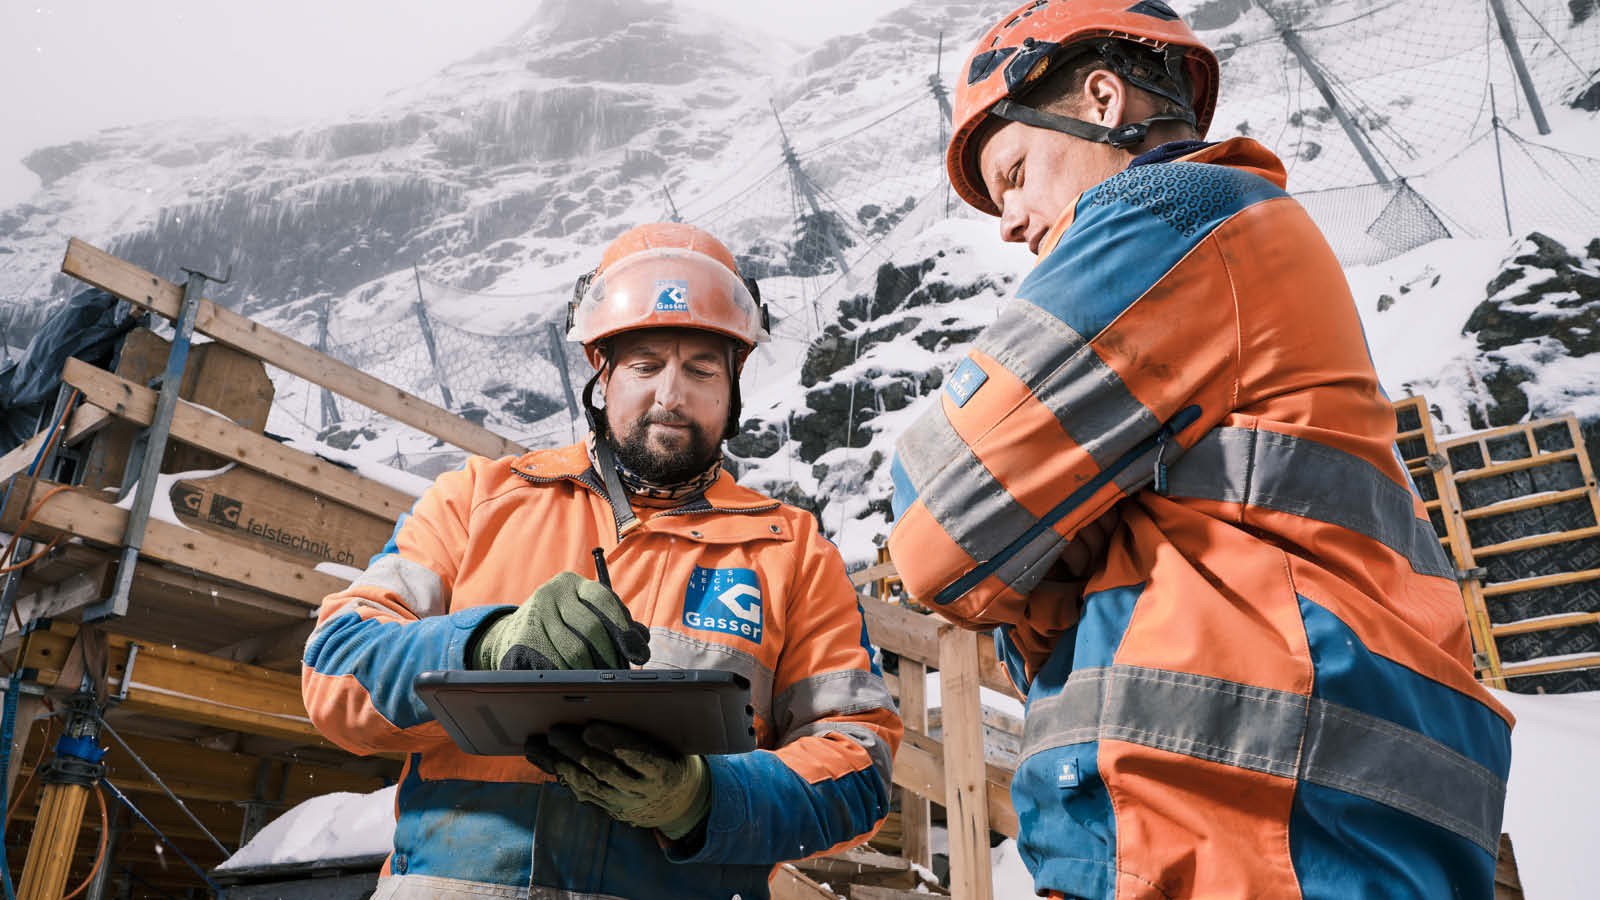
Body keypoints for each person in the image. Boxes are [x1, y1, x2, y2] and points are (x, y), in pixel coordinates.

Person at [886, 1, 1512, 898]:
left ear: (1102, 100)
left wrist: (1042, 545)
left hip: (1257, 827)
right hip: (1281, 818)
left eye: (1015, 172)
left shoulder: (1177, 211)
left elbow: (935, 532)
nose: (1011, 222)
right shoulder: (1233, 260)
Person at [303, 222, 902, 900]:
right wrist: (485, 645)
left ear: (733, 385)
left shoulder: (792, 554)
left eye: (702, 369)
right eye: (645, 365)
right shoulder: (478, 501)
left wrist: (704, 799)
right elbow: (333, 670)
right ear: (603, 372)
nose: (671, 396)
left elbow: (859, 766)